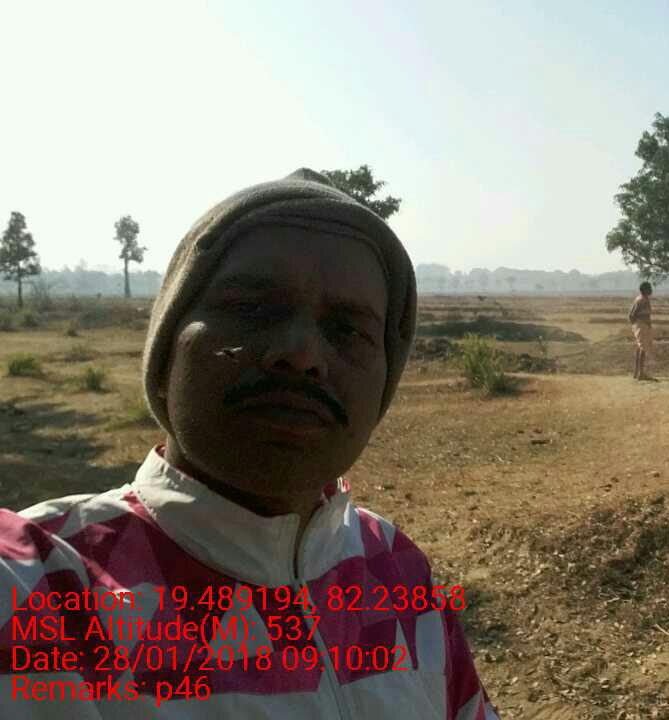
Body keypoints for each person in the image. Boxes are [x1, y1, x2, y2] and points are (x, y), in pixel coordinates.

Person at [0, 169, 498, 718]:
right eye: (253, 309)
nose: (302, 354)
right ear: (165, 356)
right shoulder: (41, 586)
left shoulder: (395, 567)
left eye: (347, 331)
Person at [629, 281, 655, 380]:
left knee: (640, 348)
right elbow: (632, 314)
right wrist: (637, 325)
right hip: (641, 325)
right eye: (649, 288)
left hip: (643, 326)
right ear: (644, 290)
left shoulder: (643, 299)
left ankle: (637, 372)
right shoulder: (641, 300)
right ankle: (641, 373)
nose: (651, 290)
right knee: (643, 348)